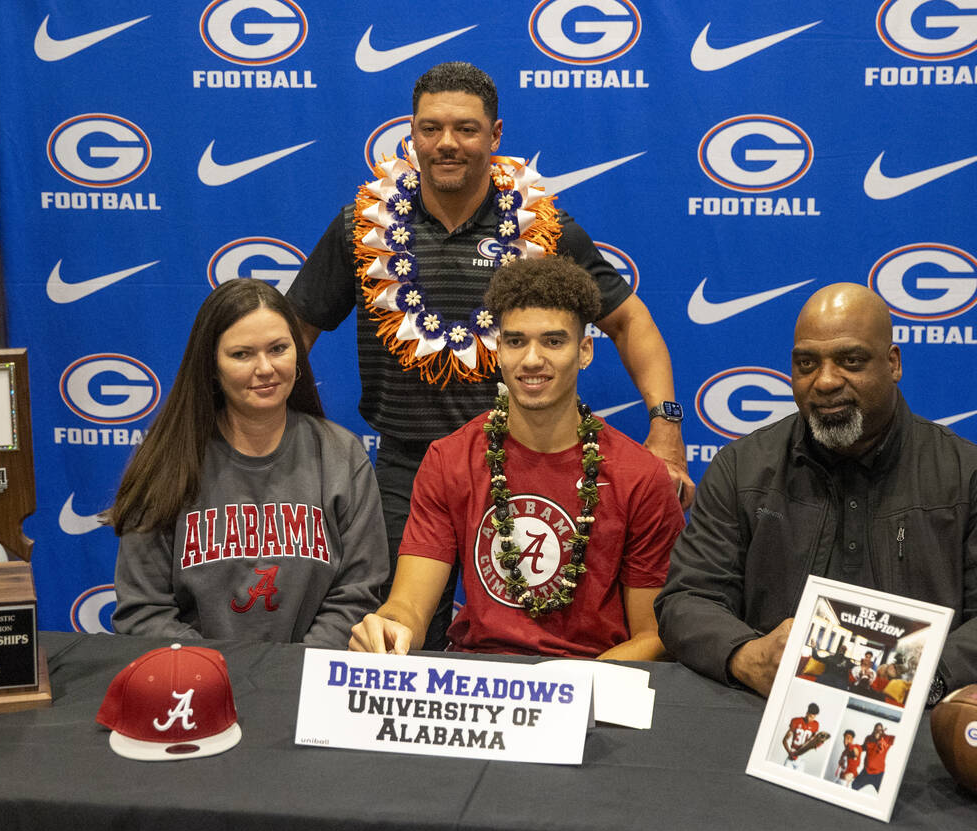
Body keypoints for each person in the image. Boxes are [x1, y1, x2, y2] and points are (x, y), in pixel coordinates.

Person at [288, 61, 692, 646]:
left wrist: (666, 422)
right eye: (430, 128)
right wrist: (289, 447)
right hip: (408, 470)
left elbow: (629, 320)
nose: (446, 143)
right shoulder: (363, 226)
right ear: (411, 133)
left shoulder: (542, 225)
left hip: (526, 465)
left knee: (532, 632)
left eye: (466, 128)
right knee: (400, 635)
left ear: (496, 135)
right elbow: (293, 332)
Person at [655, 282, 977, 701]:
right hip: (760, 714)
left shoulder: (974, 477)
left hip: (921, 728)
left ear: (893, 363)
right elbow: (688, 597)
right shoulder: (741, 469)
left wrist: (911, 675)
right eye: (806, 363)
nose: (825, 381)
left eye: (851, 360)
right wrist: (746, 655)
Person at [348, 257, 684, 659]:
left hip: (594, 686)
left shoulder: (639, 475)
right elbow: (409, 606)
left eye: (554, 342)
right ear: (498, 348)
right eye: (516, 341)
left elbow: (654, 635)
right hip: (480, 686)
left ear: (585, 351)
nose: (531, 360)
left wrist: (568, 690)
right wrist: (389, 630)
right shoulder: (449, 459)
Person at [110, 278, 384, 646]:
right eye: (242, 354)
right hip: (197, 689)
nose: (265, 367)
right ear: (211, 365)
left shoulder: (342, 456)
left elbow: (357, 596)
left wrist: (288, 674)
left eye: (278, 349)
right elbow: (143, 611)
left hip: (305, 685)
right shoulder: (166, 460)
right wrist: (218, 674)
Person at [851, 724, 895, 793]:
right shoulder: (869, 738)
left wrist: (884, 735)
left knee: (882, 793)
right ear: (874, 730)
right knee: (854, 786)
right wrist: (855, 748)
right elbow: (863, 748)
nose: (878, 731)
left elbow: (899, 738)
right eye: (876, 729)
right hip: (866, 772)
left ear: (882, 731)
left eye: (880, 730)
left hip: (878, 774)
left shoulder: (887, 739)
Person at [782, 702, 823, 770]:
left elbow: (813, 741)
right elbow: (784, 740)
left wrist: (818, 743)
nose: (811, 719)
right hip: (792, 753)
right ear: (807, 713)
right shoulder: (796, 721)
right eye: (810, 716)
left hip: (802, 758)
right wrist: (789, 752)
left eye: (814, 717)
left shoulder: (816, 725)